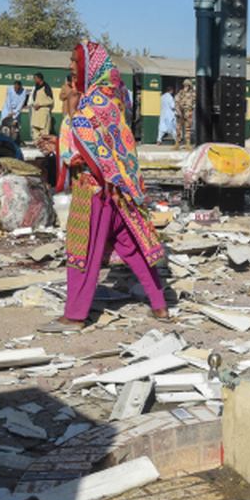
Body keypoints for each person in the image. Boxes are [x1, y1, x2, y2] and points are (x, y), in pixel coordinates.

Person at [36, 41, 169, 333]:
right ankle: (159, 304)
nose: (70, 66)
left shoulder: (93, 100)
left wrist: (70, 109)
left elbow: (86, 139)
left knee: (82, 250)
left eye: (74, 62)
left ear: (90, 67)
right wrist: (59, 145)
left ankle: (75, 314)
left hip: (95, 188)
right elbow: (102, 143)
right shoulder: (116, 95)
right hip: (119, 188)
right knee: (131, 246)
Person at [30, 72, 54, 141]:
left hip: (43, 113)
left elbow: (51, 101)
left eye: (35, 78)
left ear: (39, 79)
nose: (34, 80)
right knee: (35, 129)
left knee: (44, 131)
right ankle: (36, 143)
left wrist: (40, 104)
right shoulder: (36, 87)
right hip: (36, 113)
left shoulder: (46, 87)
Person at [175, 80, 195, 149]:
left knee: (188, 129)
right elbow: (176, 102)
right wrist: (178, 111)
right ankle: (177, 143)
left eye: (187, 85)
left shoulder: (193, 94)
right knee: (178, 128)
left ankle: (188, 144)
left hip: (189, 113)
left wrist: (191, 109)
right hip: (181, 112)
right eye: (185, 85)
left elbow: (194, 103)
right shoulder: (181, 93)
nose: (185, 87)